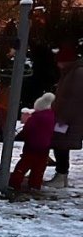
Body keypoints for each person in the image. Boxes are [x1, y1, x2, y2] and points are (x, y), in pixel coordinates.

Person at [11, 92, 57, 194]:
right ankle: (35, 185)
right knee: (39, 168)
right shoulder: (51, 116)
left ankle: (14, 183)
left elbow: (27, 130)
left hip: (31, 145)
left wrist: (18, 137)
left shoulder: (35, 118)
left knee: (23, 165)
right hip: (45, 146)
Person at [49, 54, 83, 188]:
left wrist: (62, 117)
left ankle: (61, 174)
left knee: (61, 145)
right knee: (60, 144)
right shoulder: (70, 72)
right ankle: (61, 175)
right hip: (65, 117)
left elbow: (73, 99)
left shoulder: (77, 73)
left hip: (67, 119)